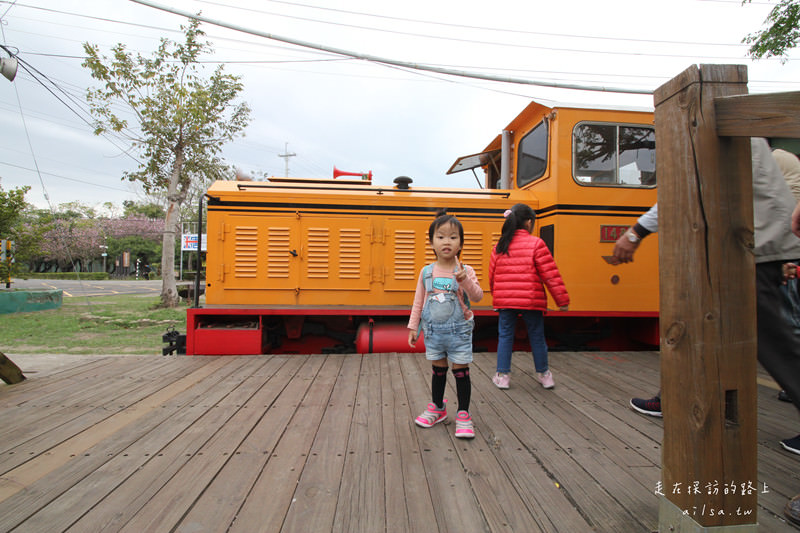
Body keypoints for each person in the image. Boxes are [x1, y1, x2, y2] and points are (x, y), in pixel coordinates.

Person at [610, 139, 800, 526]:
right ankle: (676, 400)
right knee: (707, 338)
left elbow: (689, 189)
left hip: (758, 251)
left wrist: (635, 232)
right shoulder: (740, 135)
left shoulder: (719, 134)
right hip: (749, 249)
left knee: (788, 359)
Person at [408, 210, 484, 439]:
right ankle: (438, 408)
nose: (447, 242)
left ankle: (463, 414)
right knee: (438, 370)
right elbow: (419, 301)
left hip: (459, 332)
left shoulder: (465, 270)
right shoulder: (426, 272)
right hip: (434, 332)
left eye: (453, 237)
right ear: (432, 242)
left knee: (461, 371)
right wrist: (413, 327)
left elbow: (478, 297)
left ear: (461, 243)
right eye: (441, 237)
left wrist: (466, 282)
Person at [488, 203, 569, 390]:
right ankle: (545, 376)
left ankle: (503, 376)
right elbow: (550, 274)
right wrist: (562, 301)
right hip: (531, 300)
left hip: (505, 301)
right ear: (529, 222)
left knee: (505, 336)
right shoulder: (536, 243)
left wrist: (497, 296)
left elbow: (492, 276)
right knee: (537, 337)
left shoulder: (500, 246)